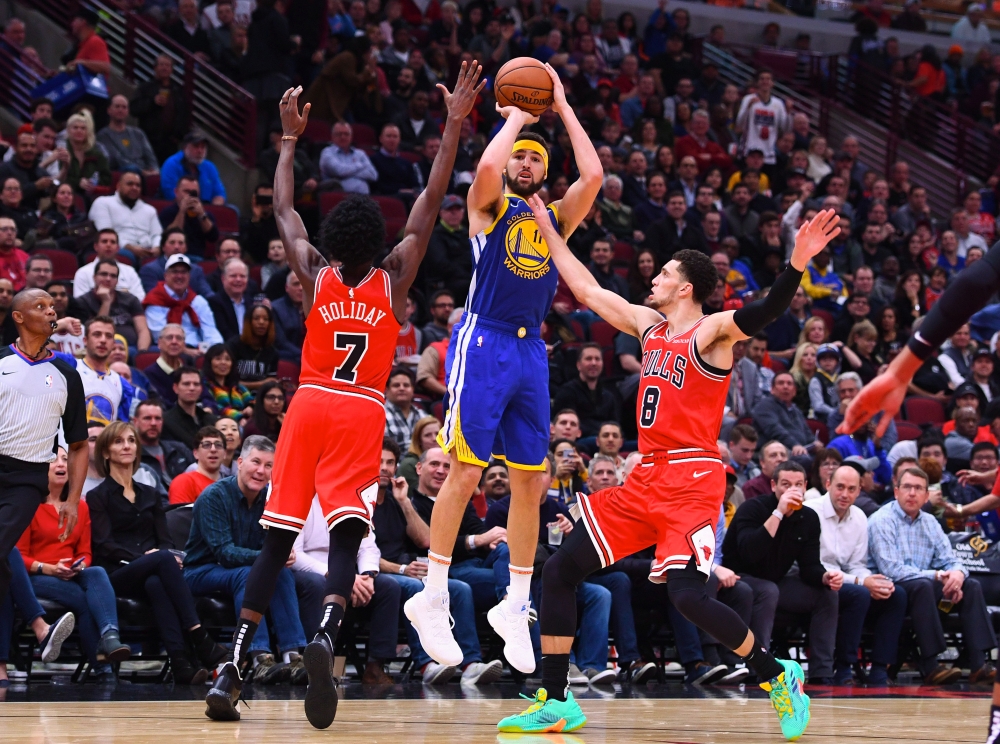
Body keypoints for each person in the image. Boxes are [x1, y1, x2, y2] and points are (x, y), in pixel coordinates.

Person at [494, 190, 839, 733]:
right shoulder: (648, 327)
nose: (653, 276)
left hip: (693, 479)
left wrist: (796, 263)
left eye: (664, 272)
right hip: (646, 475)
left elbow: (768, 310)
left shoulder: (713, 332)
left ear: (685, 286)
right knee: (560, 568)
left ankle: (777, 676)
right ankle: (558, 698)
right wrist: (546, 228)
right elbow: (585, 288)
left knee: (685, 596)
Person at [205, 67, 484, 728]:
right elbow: (431, 197)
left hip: (307, 403)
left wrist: (285, 143)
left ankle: (233, 668)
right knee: (347, 533)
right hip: (361, 409)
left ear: (334, 240)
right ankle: (328, 632)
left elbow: (281, 210)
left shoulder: (314, 271)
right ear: (377, 241)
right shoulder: (395, 276)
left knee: (275, 545)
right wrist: (449, 127)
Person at [408, 62, 603, 685]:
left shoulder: (556, 219)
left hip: (530, 352)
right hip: (482, 339)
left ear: (546, 171)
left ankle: (516, 603)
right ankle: (432, 593)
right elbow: (487, 169)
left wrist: (563, 107)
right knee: (466, 467)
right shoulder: (490, 208)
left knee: (531, 480)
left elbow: (594, 174)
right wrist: (517, 112)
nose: (526, 164)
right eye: (520, 157)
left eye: (535, 160)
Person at [87, 421, 228, 684]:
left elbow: (164, 541)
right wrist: (147, 559)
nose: (127, 446)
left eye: (130, 440)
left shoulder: (150, 494)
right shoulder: (98, 496)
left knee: (156, 583)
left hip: (152, 572)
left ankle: (181, 663)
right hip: (116, 573)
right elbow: (105, 545)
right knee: (162, 561)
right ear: (105, 452)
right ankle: (199, 636)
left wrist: (156, 557)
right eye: (118, 441)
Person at [184, 435, 310, 683]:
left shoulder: (271, 500)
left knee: (280, 571)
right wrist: (270, 557)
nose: (261, 471)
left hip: (244, 568)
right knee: (254, 572)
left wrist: (281, 554)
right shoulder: (213, 497)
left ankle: (293, 655)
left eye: (268, 465)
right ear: (240, 462)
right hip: (201, 571)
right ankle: (259, 656)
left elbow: (271, 548)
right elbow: (224, 553)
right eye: (256, 462)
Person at [0, 288, 89, 620]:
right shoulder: (1, 362)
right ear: (19, 318)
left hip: (28, 477)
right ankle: (36, 625)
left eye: (53, 307)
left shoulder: (68, 375)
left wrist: (72, 499)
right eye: (41, 306)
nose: (51, 312)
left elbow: (79, 445)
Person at [868, 466, 997, 684]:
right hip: (891, 591)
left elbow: (951, 559)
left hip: (925, 589)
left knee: (970, 585)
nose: (912, 493)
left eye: (918, 488)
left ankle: (978, 664)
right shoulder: (882, 519)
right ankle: (931, 665)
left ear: (926, 496)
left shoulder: (930, 522)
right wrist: (937, 575)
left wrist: (956, 574)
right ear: (896, 491)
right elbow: (891, 569)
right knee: (923, 586)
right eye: (907, 487)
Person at [16, 447, 132, 679]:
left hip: (70, 573)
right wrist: (49, 568)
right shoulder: (28, 506)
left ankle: (110, 636)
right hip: (37, 575)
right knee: (85, 600)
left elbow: (85, 552)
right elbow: (18, 556)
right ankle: (103, 669)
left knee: (96, 571)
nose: (61, 465)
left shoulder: (81, 506)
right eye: (53, 460)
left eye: (66, 460)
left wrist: (80, 565)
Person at [722, 461, 839, 685]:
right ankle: (761, 668)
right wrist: (779, 513)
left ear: (805, 486)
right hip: (739, 578)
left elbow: (809, 567)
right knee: (768, 590)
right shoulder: (753, 508)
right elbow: (749, 553)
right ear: (773, 485)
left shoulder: (809, 518)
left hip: (776, 582)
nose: (791, 490)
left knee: (826, 595)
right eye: (785, 484)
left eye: (797, 485)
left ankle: (822, 671)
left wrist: (825, 577)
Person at [803, 464, 906, 686]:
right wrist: (862, 581)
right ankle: (844, 667)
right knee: (859, 594)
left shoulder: (859, 517)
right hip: (814, 580)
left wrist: (873, 582)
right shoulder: (810, 510)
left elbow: (857, 564)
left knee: (895, 594)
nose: (845, 494)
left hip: (846, 581)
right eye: (840, 487)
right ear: (828, 484)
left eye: (851, 489)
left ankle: (880, 668)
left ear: (859, 491)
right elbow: (813, 565)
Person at [291, 490, 398, 684]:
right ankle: (319, 666)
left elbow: (368, 548)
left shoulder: (354, 498)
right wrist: (339, 577)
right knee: (316, 585)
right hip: (312, 572)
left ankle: (375, 667)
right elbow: (295, 554)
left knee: (388, 587)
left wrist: (367, 576)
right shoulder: (301, 498)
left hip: (351, 572)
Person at [143, 254, 223, 348]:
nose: (179, 276)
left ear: (189, 276)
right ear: (166, 276)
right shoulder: (155, 300)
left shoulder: (197, 301)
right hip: (169, 350)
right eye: (175, 272)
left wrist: (216, 349)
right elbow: (160, 336)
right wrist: (185, 351)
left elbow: (210, 331)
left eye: (184, 272)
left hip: (198, 349)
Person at [74, 261, 152, 353]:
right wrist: (106, 302)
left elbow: (143, 330)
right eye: (103, 274)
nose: (108, 279)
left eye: (113, 276)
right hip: (99, 349)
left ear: (117, 281)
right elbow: (99, 330)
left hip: (130, 348)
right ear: (94, 277)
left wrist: (142, 353)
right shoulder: (82, 302)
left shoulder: (130, 299)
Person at [89, 173, 162, 264]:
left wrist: (156, 247)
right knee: (126, 255)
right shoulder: (103, 203)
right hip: (120, 248)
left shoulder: (149, 210)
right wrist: (130, 247)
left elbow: (157, 235)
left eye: (138, 185)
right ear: (118, 186)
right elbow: (105, 233)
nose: (134, 188)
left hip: (147, 250)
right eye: (130, 184)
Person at [74, 229, 147, 301]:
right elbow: (80, 303)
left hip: (126, 312)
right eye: (104, 241)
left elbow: (141, 299)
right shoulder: (83, 272)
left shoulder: (129, 271)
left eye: (112, 242)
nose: (108, 245)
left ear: (118, 248)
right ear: (96, 246)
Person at [159, 174, 221, 259]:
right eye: (186, 191)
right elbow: (169, 235)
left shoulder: (205, 215)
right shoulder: (168, 212)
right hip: (173, 256)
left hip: (197, 257)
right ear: (176, 192)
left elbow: (213, 237)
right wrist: (182, 211)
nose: (190, 196)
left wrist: (201, 215)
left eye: (193, 192)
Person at [97, 96, 160, 175]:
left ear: (128, 111)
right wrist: (142, 172)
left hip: (146, 175)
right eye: (117, 106)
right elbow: (117, 159)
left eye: (124, 107)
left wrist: (155, 171)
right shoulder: (103, 135)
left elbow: (151, 158)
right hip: (122, 174)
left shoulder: (138, 133)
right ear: (109, 110)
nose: (120, 110)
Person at [160, 131, 227, 205]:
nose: (200, 151)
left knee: (233, 209)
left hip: (206, 208)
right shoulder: (171, 164)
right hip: (179, 207)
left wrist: (215, 208)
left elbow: (219, 194)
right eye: (196, 146)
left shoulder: (210, 167)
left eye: (203, 147)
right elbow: (170, 194)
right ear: (185, 148)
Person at [161, 367, 219, 449]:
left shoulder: (211, 420)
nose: (192, 388)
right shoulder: (166, 421)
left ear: (201, 389)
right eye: (186, 384)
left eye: (196, 384)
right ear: (175, 388)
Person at [226, 304, 280, 390]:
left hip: (260, 398)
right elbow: (227, 381)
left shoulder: (272, 352)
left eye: (266, 319)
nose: (261, 322)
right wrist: (260, 384)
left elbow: (271, 383)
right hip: (235, 394)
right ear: (248, 322)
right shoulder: (234, 346)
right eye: (256, 318)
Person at [168, 426, 225, 504]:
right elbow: (181, 515)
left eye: (218, 445)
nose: (213, 449)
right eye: (206, 445)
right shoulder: (184, 482)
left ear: (225, 454)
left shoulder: (231, 486)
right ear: (196, 453)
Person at [203, 343, 253, 420]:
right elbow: (214, 407)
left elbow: (252, 400)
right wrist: (239, 416)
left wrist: (251, 407)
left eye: (227, 359)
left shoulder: (238, 387)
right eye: (218, 359)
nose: (223, 362)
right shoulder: (204, 385)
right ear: (209, 362)